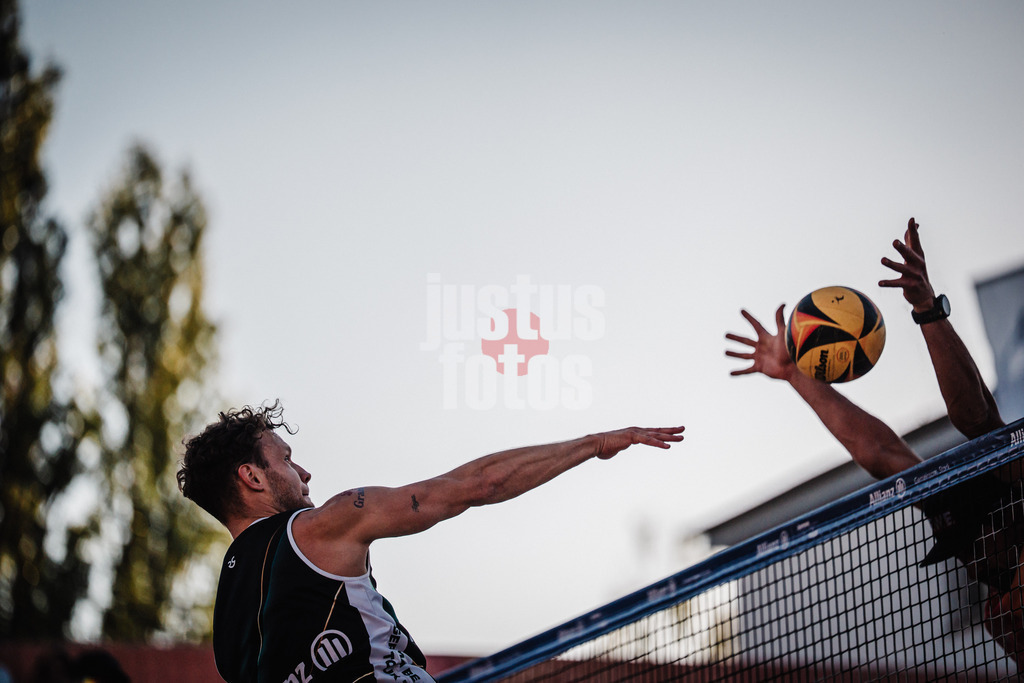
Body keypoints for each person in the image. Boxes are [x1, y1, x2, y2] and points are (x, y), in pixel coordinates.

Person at [177, 404, 683, 682]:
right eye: (286, 460)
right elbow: (475, 486)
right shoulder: (320, 527)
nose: (304, 471)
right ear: (253, 477)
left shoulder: (227, 628)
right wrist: (593, 445)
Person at [725, 217, 1021, 664]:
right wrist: (793, 374)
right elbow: (882, 454)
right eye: (968, 556)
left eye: (974, 552)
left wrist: (927, 308)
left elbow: (975, 417)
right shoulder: (996, 597)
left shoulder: (1011, 482)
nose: (969, 563)